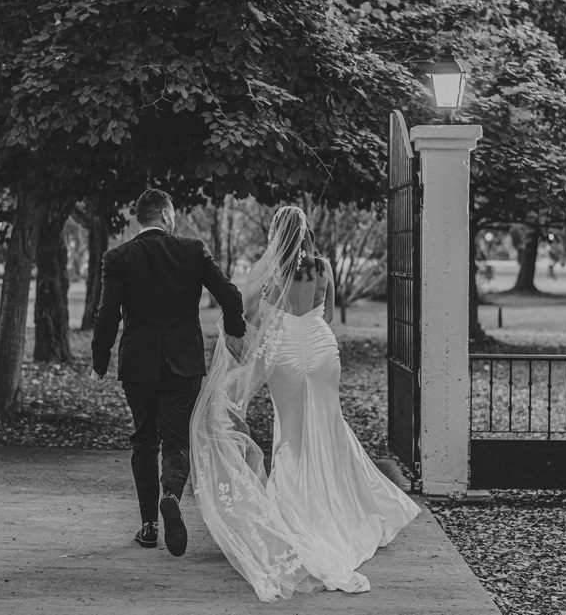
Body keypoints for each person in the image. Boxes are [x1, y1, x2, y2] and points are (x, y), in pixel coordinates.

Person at [190, 206, 420, 602]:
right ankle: (348, 505)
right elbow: (327, 315)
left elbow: (246, 318)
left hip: (285, 356)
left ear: (277, 236)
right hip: (320, 347)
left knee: (292, 434)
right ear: (307, 232)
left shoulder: (271, 274)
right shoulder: (324, 267)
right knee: (330, 426)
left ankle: (298, 508)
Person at [90, 189, 246, 557]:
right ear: (164, 213)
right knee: (177, 440)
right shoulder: (192, 250)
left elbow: (107, 313)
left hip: (138, 364)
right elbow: (230, 295)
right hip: (184, 363)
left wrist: (100, 362)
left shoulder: (118, 257)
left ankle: (148, 527)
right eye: (173, 214)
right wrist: (236, 331)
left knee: (144, 440)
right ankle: (171, 493)